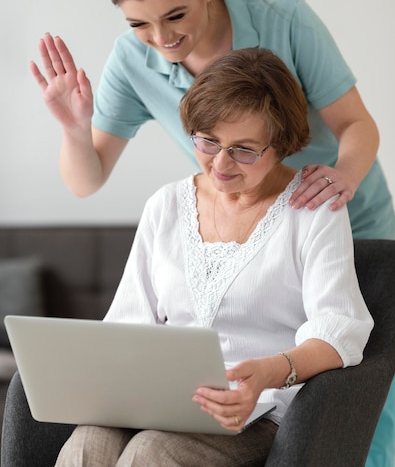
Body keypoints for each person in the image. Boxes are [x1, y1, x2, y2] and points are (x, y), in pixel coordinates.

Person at [30, 0, 395, 466]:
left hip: (333, 197)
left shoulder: (283, 18)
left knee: (358, 391)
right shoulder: (168, 194)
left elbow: (355, 124)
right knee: (91, 444)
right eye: (139, 24)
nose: (161, 38)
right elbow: (88, 179)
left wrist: (340, 179)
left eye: (174, 16)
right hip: (232, 211)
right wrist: (73, 127)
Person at [54, 48, 374, 466]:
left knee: (151, 453)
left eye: (244, 149)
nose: (220, 164)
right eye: (208, 141)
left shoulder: (312, 210)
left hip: (257, 413)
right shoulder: (166, 205)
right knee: (87, 443)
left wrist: (267, 373)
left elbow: (340, 331)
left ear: (280, 145)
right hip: (160, 400)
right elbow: (127, 324)